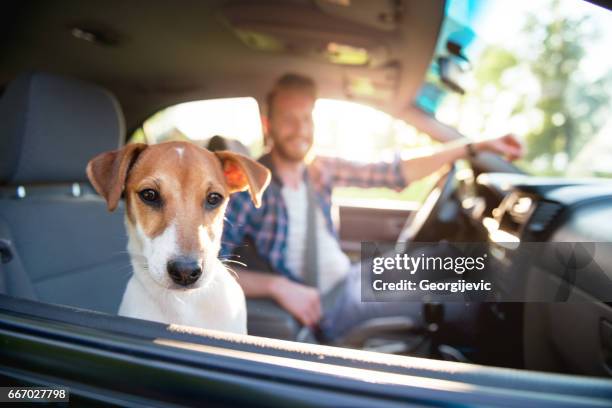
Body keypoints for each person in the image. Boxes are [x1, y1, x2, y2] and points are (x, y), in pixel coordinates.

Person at [221, 73, 523, 341]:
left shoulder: (319, 169)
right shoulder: (248, 188)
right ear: (267, 123)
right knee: (470, 303)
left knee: (449, 258)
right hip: (331, 307)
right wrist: (277, 286)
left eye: (307, 118)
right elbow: (212, 268)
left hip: (353, 276)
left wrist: (474, 147)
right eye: (288, 118)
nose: (300, 129)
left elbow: (394, 171)